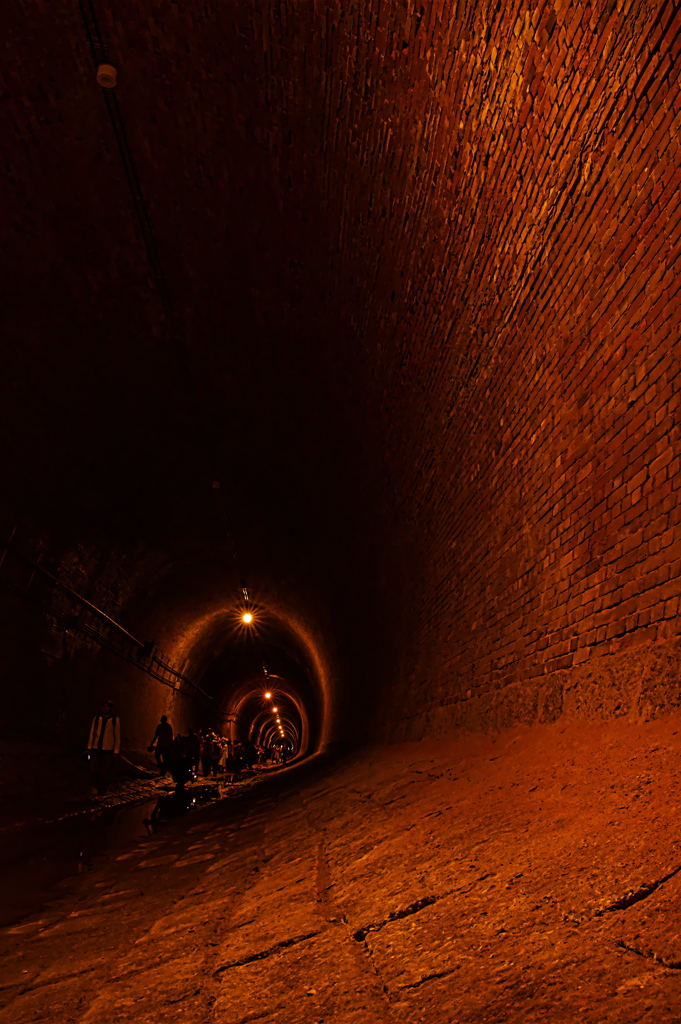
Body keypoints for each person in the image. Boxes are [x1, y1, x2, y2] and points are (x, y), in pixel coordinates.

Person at [87, 698, 121, 796]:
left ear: (110, 708)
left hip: (108, 750)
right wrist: (89, 746)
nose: (105, 708)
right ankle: (95, 786)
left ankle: (101, 791)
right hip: (96, 748)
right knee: (93, 770)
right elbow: (92, 732)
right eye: (104, 706)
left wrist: (116, 751)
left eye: (107, 706)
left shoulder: (115, 719)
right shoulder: (97, 718)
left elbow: (117, 736)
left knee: (105, 772)